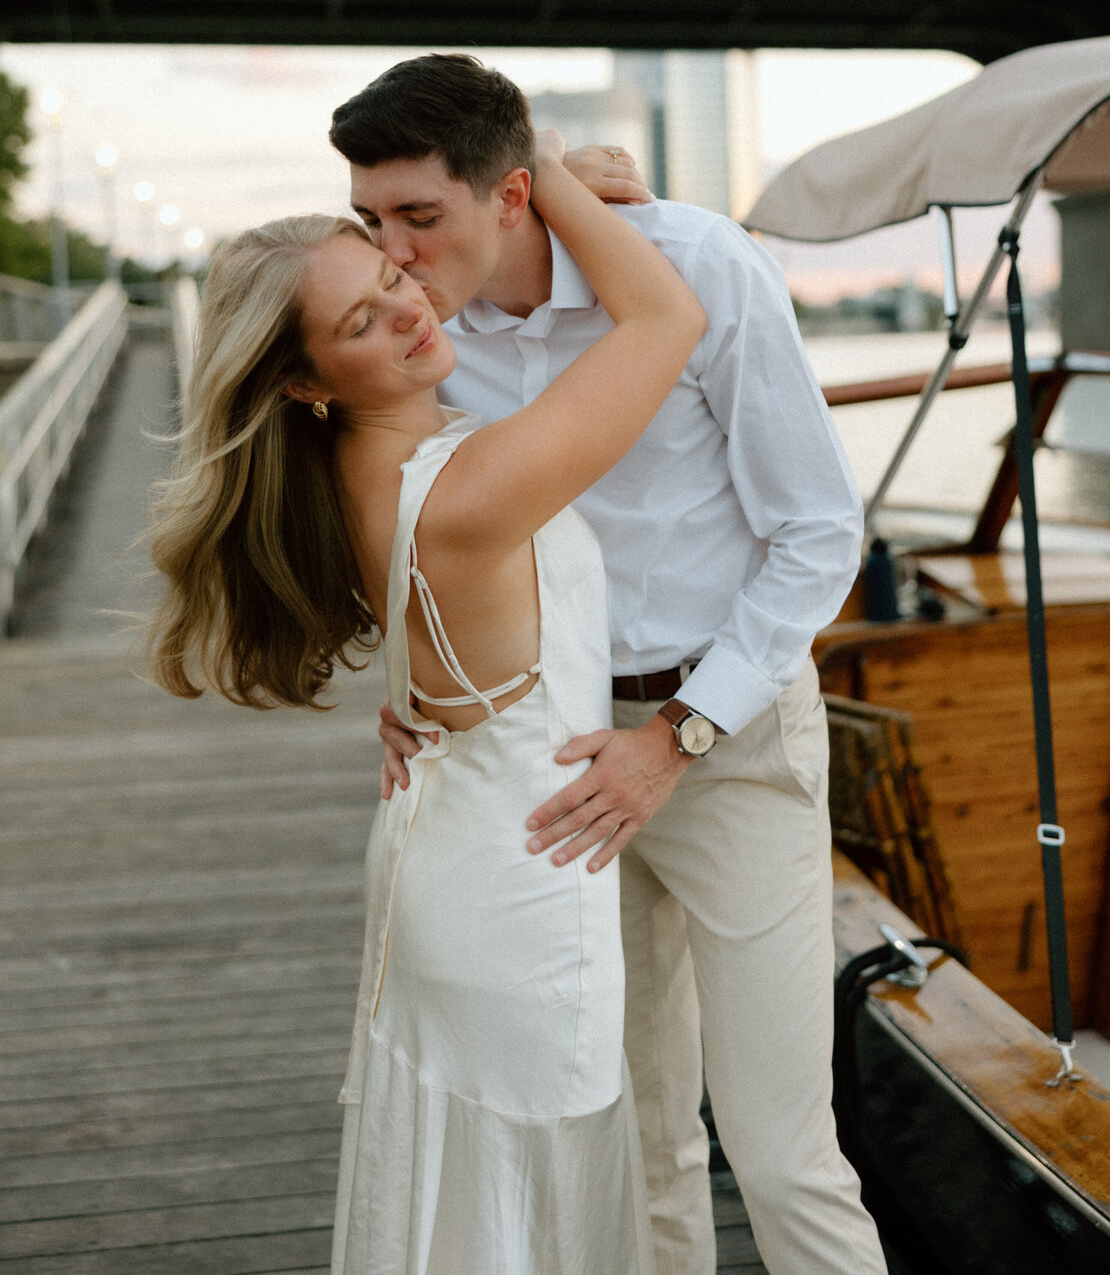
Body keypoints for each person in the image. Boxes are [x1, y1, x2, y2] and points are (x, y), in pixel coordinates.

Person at [331, 54, 887, 1275]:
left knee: (782, 1149)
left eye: (422, 216)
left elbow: (817, 533)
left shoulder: (696, 265)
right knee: (638, 1139)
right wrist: (409, 692)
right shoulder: (418, 339)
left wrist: (677, 738)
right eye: (376, 220)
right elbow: (413, 524)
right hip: (558, 752)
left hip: (726, 737)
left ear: (514, 196)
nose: (398, 253)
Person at [146, 137, 708, 1275]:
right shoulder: (470, 488)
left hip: (446, 863)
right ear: (306, 384)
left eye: (395, 276)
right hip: (526, 900)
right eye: (362, 321)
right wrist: (533, 167)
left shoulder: (369, 476)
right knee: (537, 1233)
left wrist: (421, 701)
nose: (407, 310)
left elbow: (450, 641)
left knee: (471, 1226)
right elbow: (665, 322)